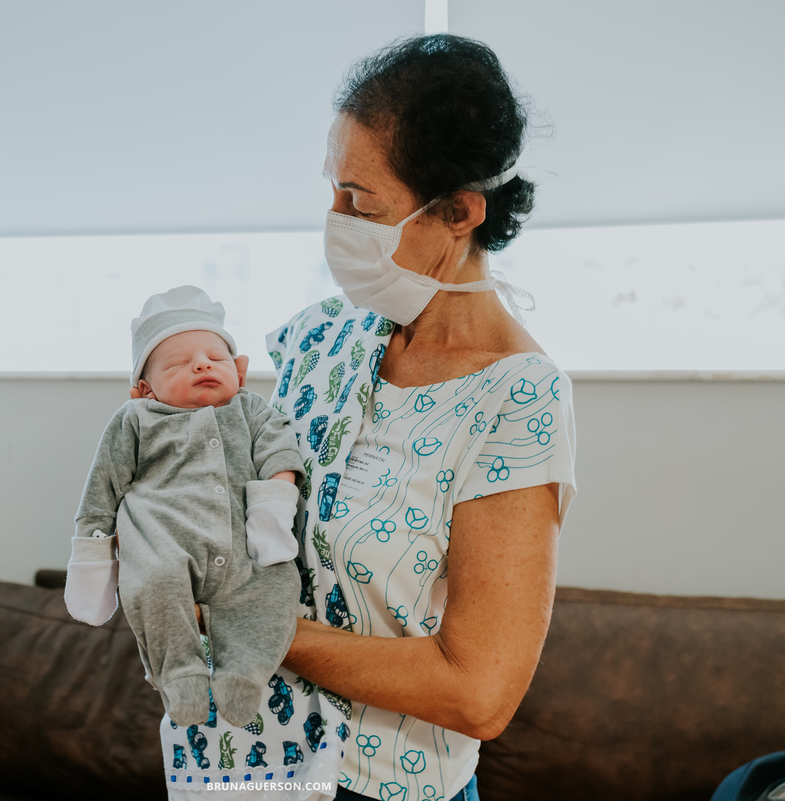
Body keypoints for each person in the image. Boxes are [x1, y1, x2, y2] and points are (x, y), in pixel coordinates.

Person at [268, 33, 578, 801]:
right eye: (333, 190)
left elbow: (479, 691)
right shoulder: (320, 337)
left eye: (359, 200)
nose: (335, 219)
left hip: (375, 787)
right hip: (251, 760)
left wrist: (258, 631)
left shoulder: (516, 398)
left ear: (459, 213)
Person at [65, 285, 305, 729]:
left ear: (240, 371)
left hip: (244, 553)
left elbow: (279, 449)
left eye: (215, 358)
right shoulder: (135, 420)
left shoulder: (250, 409)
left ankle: (245, 674)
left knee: (275, 591)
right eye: (178, 363)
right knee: (151, 589)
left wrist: (273, 502)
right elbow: (103, 486)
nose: (201, 364)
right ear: (143, 389)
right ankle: (179, 676)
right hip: (163, 547)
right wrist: (92, 557)